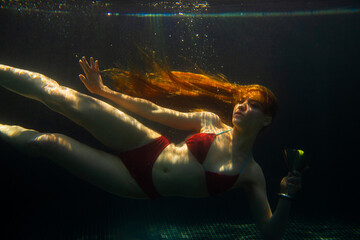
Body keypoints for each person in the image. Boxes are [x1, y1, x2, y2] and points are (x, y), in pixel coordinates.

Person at [0, 57, 302, 240]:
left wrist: (286, 195)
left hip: (138, 184)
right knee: (62, 97)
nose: (242, 106)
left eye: (254, 105)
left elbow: (270, 233)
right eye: (242, 101)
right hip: (148, 143)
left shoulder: (252, 174)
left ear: (267, 119)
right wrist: (105, 92)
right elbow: (156, 111)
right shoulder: (211, 121)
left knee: (47, 144)